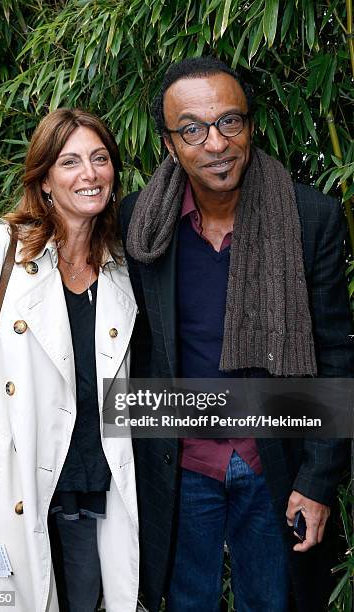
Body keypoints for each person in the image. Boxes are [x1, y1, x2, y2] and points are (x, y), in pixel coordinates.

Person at [120, 57, 353, 612]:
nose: (216, 143)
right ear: (171, 144)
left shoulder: (309, 216)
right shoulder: (139, 223)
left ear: (250, 125)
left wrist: (320, 480)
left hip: (274, 459)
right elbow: (135, 346)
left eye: (230, 121)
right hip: (178, 467)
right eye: (193, 129)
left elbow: (338, 355)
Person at [0, 108, 139, 612]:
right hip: (7, 492)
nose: (89, 174)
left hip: (90, 496)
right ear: (45, 179)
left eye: (100, 159)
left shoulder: (121, 266)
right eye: (70, 161)